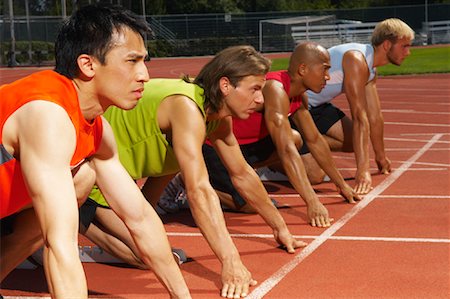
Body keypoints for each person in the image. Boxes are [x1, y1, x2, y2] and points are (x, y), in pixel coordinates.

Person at [79, 45, 307, 299]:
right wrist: (230, 261)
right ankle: (78, 216)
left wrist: (280, 228)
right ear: (225, 86)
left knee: (157, 238)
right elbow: (198, 188)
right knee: (146, 256)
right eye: (254, 89)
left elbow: (242, 173)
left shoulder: (218, 117)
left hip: (125, 170)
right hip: (95, 168)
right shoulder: (186, 107)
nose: (261, 99)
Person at [0, 4, 190, 299]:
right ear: (88, 65)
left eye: (145, 62)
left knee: (83, 176)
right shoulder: (47, 114)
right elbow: (60, 244)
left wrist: (182, 295)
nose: (145, 75)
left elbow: (139, 216)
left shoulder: (97, 130)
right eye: (132, 61)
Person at [198, 42, 359, 227]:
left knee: (295, 138)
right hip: (217, 146)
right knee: (251, 204)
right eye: (324, 69)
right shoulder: (275, 88)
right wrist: (312, 202)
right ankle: (186, 186)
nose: (328, 77)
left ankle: (251, 173)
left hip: (247, 147)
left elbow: (315, 140)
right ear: (303, 69)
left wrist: (342, 185)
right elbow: (286, 150)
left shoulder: (299, 96)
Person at [301, 18, 414, 194]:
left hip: (318, 106)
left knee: (355, 141)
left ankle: (309, 141)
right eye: (404, 46)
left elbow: (375, 117)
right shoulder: (355, 58)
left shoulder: (371, 70)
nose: (408, 52)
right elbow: (360, 116)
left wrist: (381, 156)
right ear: (386, 45)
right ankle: (272, 163)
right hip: (297, 107)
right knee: (315, 175)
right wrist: (363, 170)